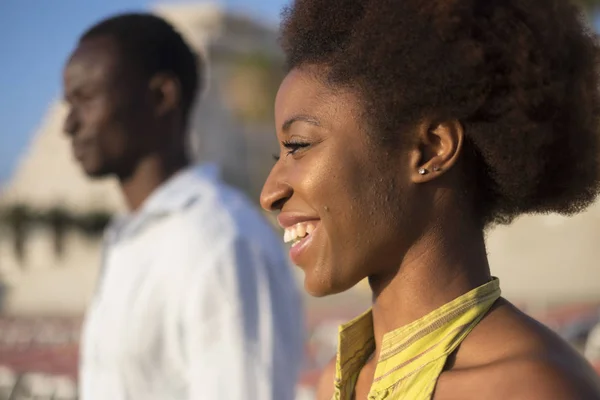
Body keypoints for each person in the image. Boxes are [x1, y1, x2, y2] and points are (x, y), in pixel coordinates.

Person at [260, 0, 600, 399]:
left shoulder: (527, 389)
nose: (270, 193)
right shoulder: (338, 382)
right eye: (277, 155)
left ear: (429, 149)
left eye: (298, 146)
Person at [62, 13, 303, 400]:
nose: (69, 124)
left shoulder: (220, 241)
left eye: (86, 99)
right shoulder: (134, 237)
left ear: (161, 97)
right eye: (68, 103)